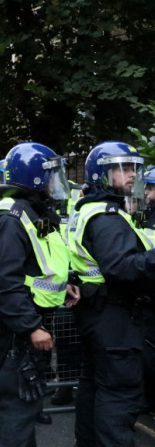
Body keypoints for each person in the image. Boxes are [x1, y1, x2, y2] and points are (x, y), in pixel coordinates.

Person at [0, 143, 72, 447]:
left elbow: (38, 266)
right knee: (15, 410)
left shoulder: (32, 212)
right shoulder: (11, 217)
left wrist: (66, 283)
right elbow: (5, 283)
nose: (55, 183)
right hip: (17, 331)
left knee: (25, 406)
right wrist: (31, 326)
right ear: (34, 178)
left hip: (27, 324)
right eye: (50, 175)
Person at [68, 141, 155, 447]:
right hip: (114, 317)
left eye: (134, 168)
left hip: (98, 314)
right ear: (101, 175)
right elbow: (122, 268)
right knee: (119, 396)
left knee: (95, 388)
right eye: (123, 168)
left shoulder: (91, 209)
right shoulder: (106, 216)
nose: (132, 175)